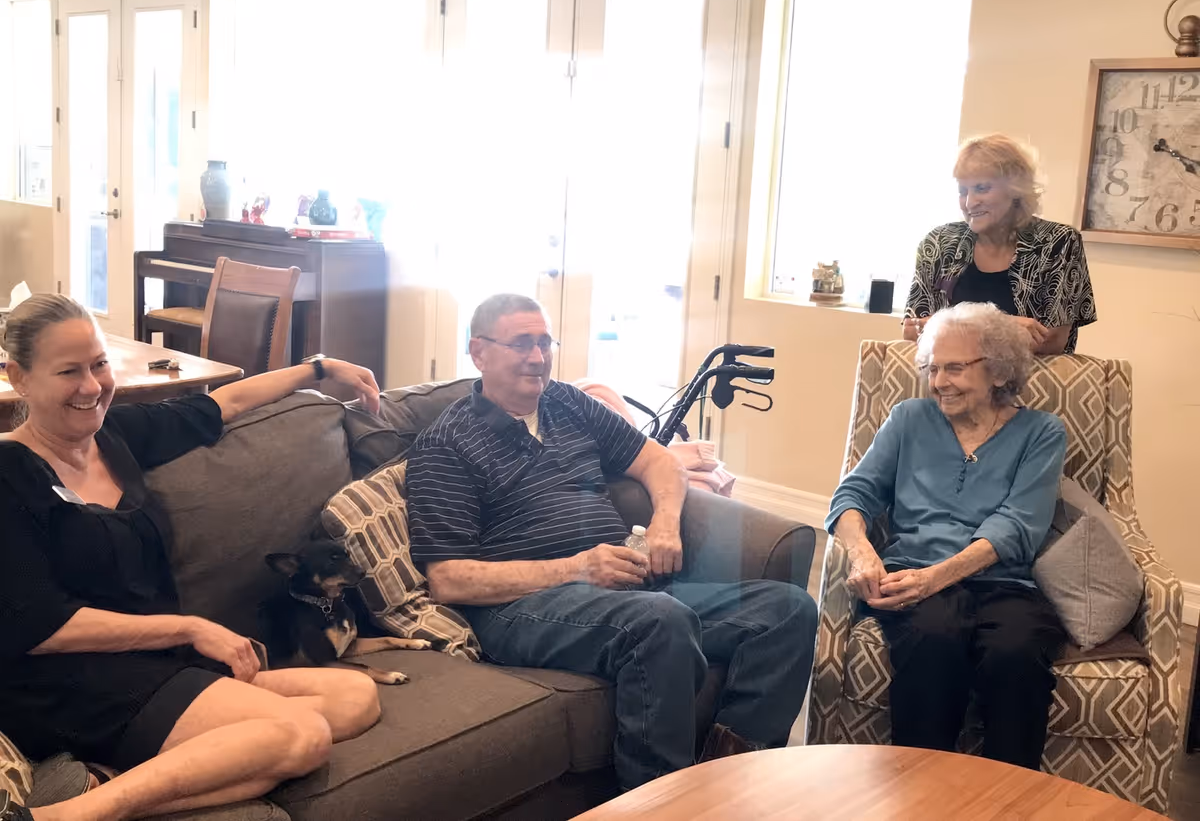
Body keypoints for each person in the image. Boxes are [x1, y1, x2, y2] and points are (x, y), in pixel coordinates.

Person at [405, 294, 816, 792]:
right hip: (520, 607)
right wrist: (577, 568)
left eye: (544, 343)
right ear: (479, 352)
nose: (537, 357)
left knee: (787, 611)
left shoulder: (566, 402)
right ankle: (656, 803)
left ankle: (730, 781)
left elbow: (659, 460)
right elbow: (449, 579)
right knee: (660, 621)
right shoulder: (446, 444)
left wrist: (665, 522)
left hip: (620, 588)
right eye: (521, 344)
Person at [0, 294, 383, 821]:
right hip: (68, 685)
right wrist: (189, 628)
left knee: (356, 698)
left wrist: (319, 368)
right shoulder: (9, 473)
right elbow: (41, 626)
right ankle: (56, 817)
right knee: (304, 735)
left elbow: (226, 403)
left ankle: (108, 779)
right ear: (19, 378)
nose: (91, 387)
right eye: (69, 371)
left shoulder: (117, 435)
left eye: (99, 364)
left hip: (159, 666)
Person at [826, 302, 1067, 770]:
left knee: (1016, 653)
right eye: (932, 368)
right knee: (934, 639)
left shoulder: (1041, 433)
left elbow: (1018, 524)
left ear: (999, 371)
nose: (938, 382)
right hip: (910, 571)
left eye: (954, 368)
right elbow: (853, 494)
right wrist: (862, 553)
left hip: (1003, 583)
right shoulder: (909, 419)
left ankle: (1011, 795)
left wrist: (935, 578)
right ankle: (919, 789)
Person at [903, 134, 1096, 355]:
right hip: (947, 375)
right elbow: (911, 330)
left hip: (1026, 376)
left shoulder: (1058, 242)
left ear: (1015, 189)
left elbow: (1051, 342)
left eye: (981, 188)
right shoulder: (940, 242)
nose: (970, 203)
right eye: (963, 191)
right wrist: (1006, 325)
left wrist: (943, 327)